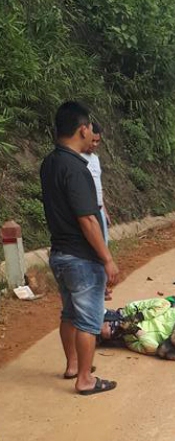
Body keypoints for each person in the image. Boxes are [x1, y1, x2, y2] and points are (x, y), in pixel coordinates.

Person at [41, 101, 120, 395]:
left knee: (69, 314)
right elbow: (87, 219)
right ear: (82, 129)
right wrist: (107, 259)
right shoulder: (76, 167)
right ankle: (85, 379)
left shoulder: (50, 163)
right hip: (81, 257)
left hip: (59, 254)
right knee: (88, 319)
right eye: (89, 129)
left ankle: (73, 364)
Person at [81, 122, 111, 245]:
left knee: (104, 244)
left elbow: (98, 186)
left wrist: (104, 210)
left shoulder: (95, 159)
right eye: (92, 140)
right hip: (87, 211)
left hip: (98, 209)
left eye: (97, 141)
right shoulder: (77, 158)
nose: (94, 144)